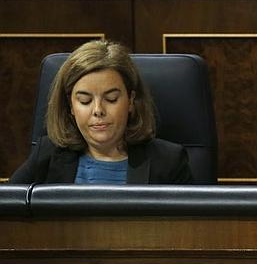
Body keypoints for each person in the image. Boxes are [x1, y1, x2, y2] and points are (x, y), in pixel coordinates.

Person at [10, 40, 193, 184]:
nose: (98, 110)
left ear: (130, 101)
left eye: (111, 99)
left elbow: (192, 228)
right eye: (85, 101)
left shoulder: (169, 161)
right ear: (70, 107)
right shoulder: (47, 155)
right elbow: (8, 208)